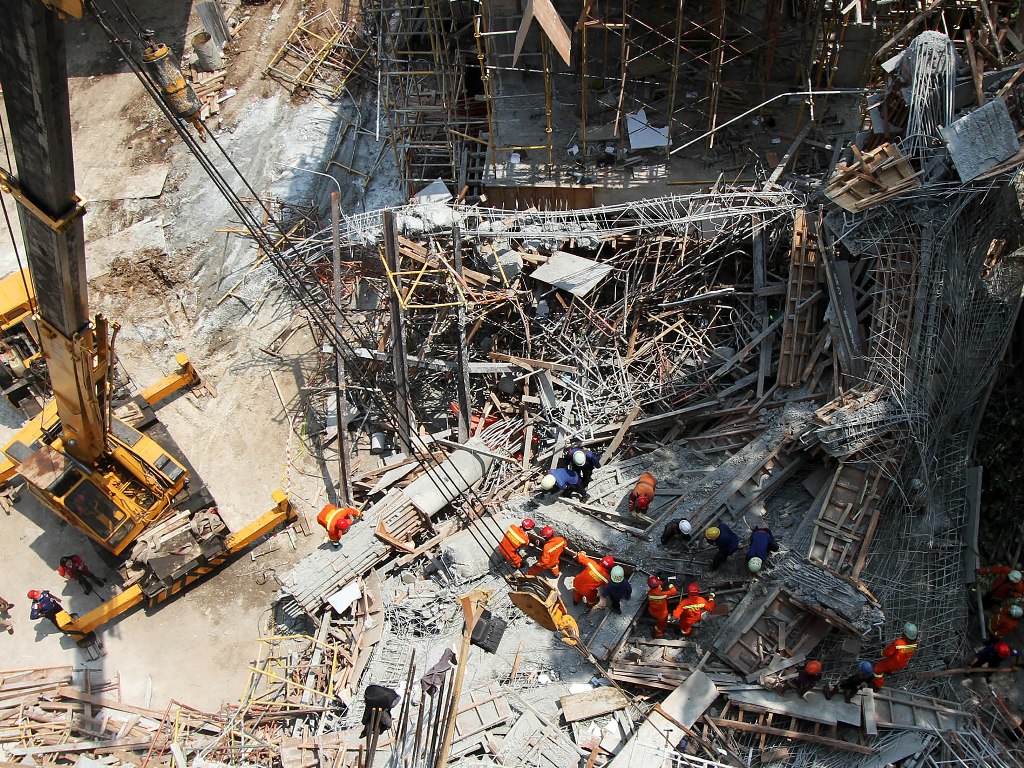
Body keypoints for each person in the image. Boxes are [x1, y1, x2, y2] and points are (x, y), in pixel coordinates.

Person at [872, 623, 919, 689]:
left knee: (877, 669)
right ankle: (888, 672)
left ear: (905, 633)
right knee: (890, 665)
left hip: (892, 664)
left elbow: (888, 652)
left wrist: (881, 653)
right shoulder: (915, 644)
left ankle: (877, 685)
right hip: (903, 663)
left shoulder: (898, 643)